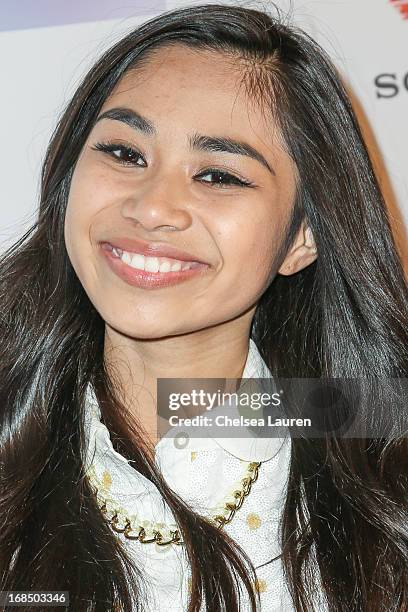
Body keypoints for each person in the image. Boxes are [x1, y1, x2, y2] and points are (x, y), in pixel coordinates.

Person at [0, 3, 407, 611]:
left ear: (303, 237)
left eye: (218, 175)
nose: (153, 207)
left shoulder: (381, 454)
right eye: (125, 153)